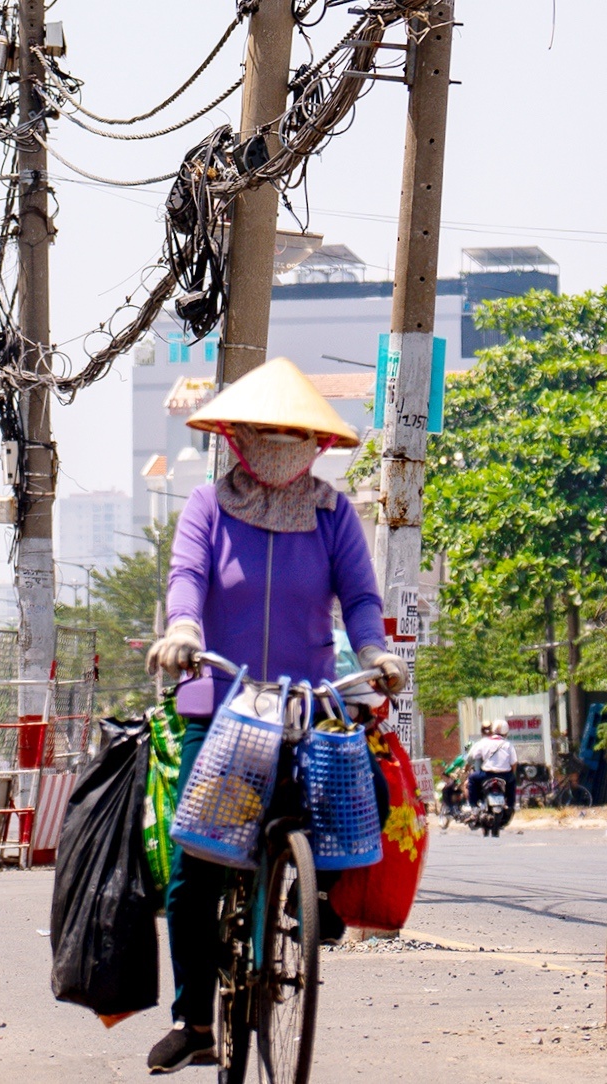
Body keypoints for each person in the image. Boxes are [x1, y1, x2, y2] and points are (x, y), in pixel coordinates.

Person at [143, 357, 408, 1074]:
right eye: (264, 430)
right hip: (221, 701)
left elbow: (358, 598)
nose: (277, 441)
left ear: (316, 444)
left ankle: (311, 895)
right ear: (236, 437)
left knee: (363, 795)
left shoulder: (332, 514)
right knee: (195, 867)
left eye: (292, 432)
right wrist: (184, 631)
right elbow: (187, 578)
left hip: (305, 701)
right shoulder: (206, 506)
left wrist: (376, 651)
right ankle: (195, 1018)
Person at [467, 719, 518, 811]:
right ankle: (511, 805)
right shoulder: (508, 745)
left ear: (493, 730)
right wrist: (512, 774)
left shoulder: (484, 742)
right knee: (512, 781)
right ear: (506, 732)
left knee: (472, 778)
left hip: (486, 775)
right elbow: (514, 763)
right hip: (505, 775)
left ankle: (474, 805)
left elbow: (474, 756)